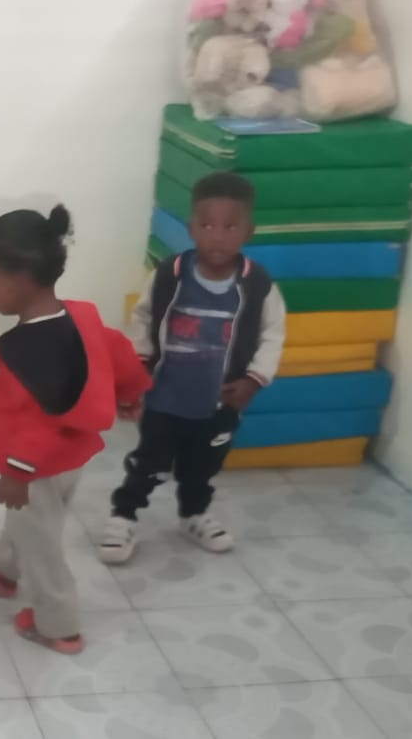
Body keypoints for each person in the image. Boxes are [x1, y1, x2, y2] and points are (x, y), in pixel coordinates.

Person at [0, 206, 151, 654]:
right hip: (71, 457)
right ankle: (2, 564)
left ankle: (59, 625)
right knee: (32, 525)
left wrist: (16, 473)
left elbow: (36, 424)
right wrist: (130, 394)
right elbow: (119, 352)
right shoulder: (80, 317)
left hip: (36, 467)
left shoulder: (21, 353)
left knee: (42, 546)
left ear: (13, 283)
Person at [98, 172, 287, 564]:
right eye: (207, 225)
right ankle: (124, 515)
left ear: (248, 232)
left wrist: (254, 380)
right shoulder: (170, 275)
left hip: (219, 404)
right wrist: (137, 370)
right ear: (191, 229)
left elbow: (273, 333)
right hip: (165, 398)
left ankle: (193, 515)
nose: (217, 236)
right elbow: (143, 318)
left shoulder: (257, 285)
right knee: (149, 463)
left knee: (202, 468)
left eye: (230, 226)